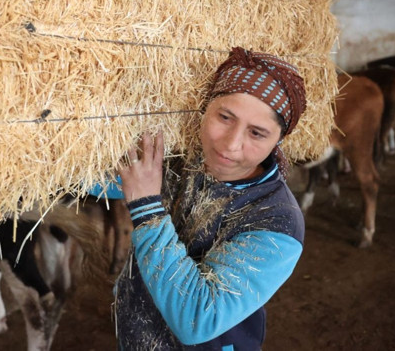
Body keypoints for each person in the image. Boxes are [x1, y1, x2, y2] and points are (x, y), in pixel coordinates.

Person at [94, 47, 307, 350]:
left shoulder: (277, 222)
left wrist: (146, 206)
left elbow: (197, 319)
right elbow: (97, 182)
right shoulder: (183, 161)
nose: (231, 145)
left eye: (257, 133)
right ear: (206, 107)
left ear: (278, 141)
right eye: (224, 117)